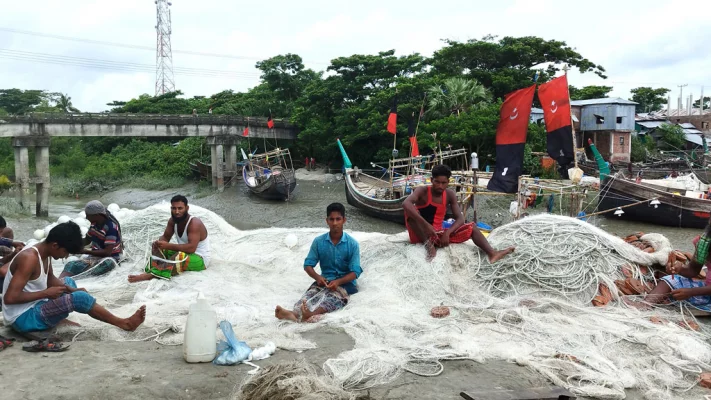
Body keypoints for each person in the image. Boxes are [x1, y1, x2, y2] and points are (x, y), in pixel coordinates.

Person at [2, 222, 145, 341]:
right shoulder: (29, 258)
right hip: (22, 318)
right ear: (55, 245)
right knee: (80, 300)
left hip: (35, 305)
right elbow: (10, 298)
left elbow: (50, 278)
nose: (66, 256)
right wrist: (44, 293)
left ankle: (56, 317)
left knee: (68, 282)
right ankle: (124, 323)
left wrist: (71, 290)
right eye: (66, 252)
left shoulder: (44, 251)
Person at [403, 164, 515, 262]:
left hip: (438, 234)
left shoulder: (449, 194)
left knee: (472, 227)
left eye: (444, 183)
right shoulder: (422, 191)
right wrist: (426, 225)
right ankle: (429, 246)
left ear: (448, 182)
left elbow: (460, 218)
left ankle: (492, 253)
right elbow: (406, 203)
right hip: (421, 234)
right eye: (437, 182)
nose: (440, 186)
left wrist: (448, 233)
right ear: (432, 180)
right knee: (411, 212)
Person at [275, 202, 361, 323]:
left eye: (338, 219)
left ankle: (310, 314)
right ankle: (294, 313)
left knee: (331, 299)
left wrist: (338, 282)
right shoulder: (319, 242)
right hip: (324, 281)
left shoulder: (352, 244)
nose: (335, 223)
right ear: (327, 221)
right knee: (309, 296)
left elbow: (355, 272)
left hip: (346, 284)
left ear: (344, 220)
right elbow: (308, 265)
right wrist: (318, 277)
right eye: (331, 219)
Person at [128, 195, 210, 282]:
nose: (177, 212)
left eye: (180, 208)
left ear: (187, 208)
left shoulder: (194, 223)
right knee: (161, 249)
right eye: (174, 208)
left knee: (179, 256)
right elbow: (165, 237)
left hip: (200, 259)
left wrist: (168, 245)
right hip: (186, 253)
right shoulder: (172, 221)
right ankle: (155, 270)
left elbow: (191, 248)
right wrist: (158, 243)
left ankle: (151, 275)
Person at [640, 219, 711, 310]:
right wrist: (679, 268)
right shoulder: (705, 242)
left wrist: (691, 292)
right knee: (669, 280)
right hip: (707, 290)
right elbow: (693, 270)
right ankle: (645, 304)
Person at [60, 201, 123, 278]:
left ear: (96, 215)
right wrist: (71, 246)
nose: (86, 218)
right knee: (71, 265)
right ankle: (60, 281)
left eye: (88, 216)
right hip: (94, 258)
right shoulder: (94, 224)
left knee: (105, 265)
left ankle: (84, 276)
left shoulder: (111, 227)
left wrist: (85, 251)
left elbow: (107, 252)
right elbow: (87, 240)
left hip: (109, 259)